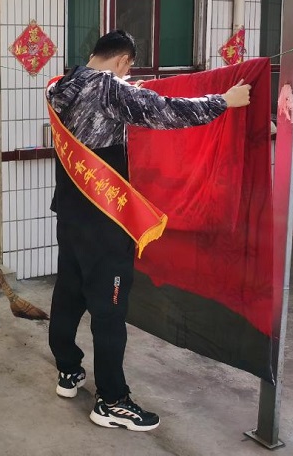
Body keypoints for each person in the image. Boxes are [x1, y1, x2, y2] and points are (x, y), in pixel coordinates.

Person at [46, 30, 251, 431]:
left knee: (68, 292)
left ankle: (68, 370)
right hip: (105, 221)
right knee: (109, 310)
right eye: (128, 70)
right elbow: (166, 110)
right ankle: (111, 400)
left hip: (69, 215)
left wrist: (128, 91)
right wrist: (224, 101)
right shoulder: (110, 89)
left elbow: (118, 104)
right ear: (124, 61)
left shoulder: (60, 86)